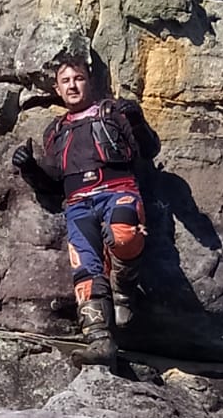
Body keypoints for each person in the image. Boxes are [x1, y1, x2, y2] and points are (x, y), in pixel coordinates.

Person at [12, 54, 160, 365]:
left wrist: (136, 119)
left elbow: (149, 150)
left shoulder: (112, 112)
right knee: (85, 271)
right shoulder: (55, 130)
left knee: (124, 234)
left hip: (118, 191)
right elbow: (54, 185)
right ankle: (100, 341)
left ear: (89, 82)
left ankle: (123, 288)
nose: (72, 86)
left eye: (78, 79)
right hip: (77, 205)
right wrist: (30, 170)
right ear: (57, 89)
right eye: (65, 81)